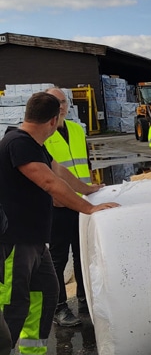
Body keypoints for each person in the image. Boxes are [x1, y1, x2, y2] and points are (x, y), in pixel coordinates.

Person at [0, 93, 119, 355]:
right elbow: (50, 183)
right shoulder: (17, 144)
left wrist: (88, 189)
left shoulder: (32, 144)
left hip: (34, 239)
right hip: (14, 240)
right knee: (13, 304)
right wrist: (89, 209)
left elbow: (59, 172)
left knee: (46, 293)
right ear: (54, 120)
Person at [43, 88, 92, 328]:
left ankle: (84, 298)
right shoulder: (44, 132)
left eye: (63, 102)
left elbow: (85, 163)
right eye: (55, 102)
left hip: (79, 201)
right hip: (57, 204)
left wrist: (90, 188)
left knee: (82, 253)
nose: (60, 106)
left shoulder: (76, 129)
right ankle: (59, 306)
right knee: (58, 258)